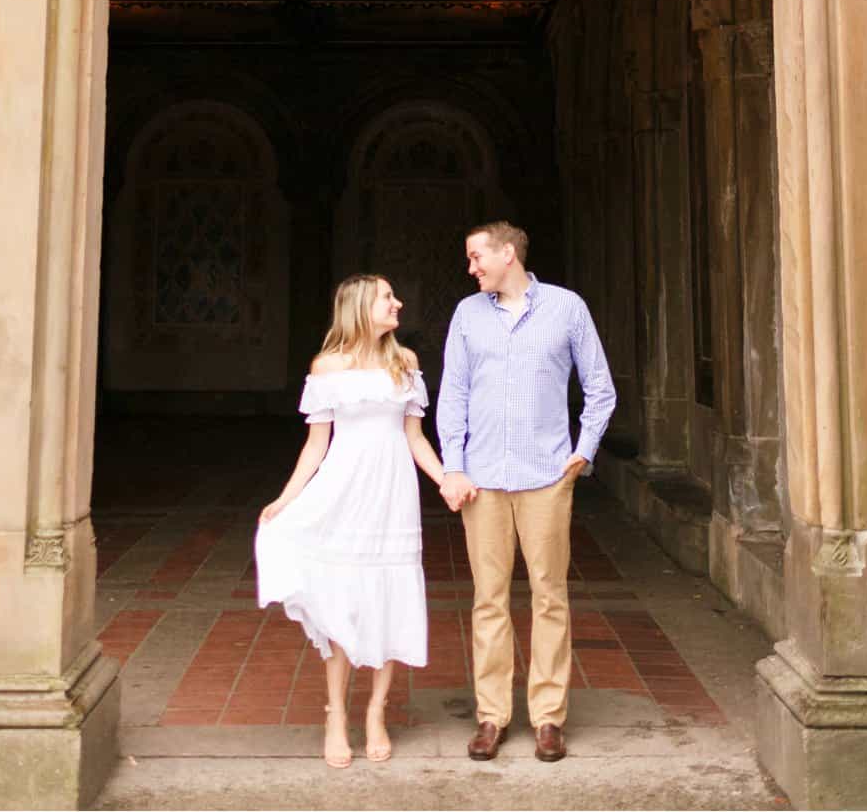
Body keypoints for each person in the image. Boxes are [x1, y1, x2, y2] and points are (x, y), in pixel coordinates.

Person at [255, 273, 457, 768]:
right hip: (343, 493)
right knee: (343, 603)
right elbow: (315, 445)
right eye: (388, 297)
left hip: (393, 495)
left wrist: (446, 479)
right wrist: (285, 499)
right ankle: (335, 716)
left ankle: (375, 713)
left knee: (388, 600)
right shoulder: (327, 367)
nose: (398, 303)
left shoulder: (404, 363)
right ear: (361, 306)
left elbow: (415, 438)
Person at [436, 221, 616, 764]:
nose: (470, 269)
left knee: (549, 596)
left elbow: (600, 389)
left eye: (476, 257)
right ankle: (491, 716)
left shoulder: (567, 309)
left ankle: (548, 719)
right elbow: (454, 394)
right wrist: (453, 466)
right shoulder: (467, 316)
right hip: (483, 480)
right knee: (488, 599)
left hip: (546, 478)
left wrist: (582, 453)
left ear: (507, 254)